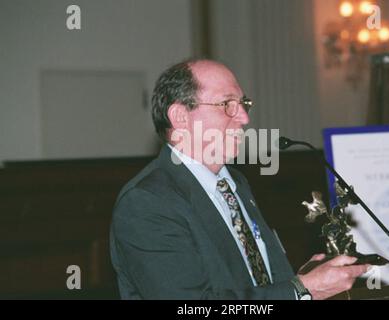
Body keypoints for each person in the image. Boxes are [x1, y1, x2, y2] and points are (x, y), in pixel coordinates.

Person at [109, 58, 369, 299]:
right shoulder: (147, 202)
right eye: (227, 105)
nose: (244, 118)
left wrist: (302, 279)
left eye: (243, 104)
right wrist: (300, 290)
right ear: (180, 117)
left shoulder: (235, 183)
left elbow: (249, 282)